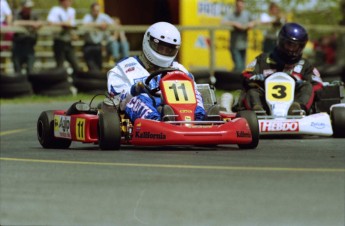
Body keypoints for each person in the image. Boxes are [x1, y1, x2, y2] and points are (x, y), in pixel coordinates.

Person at [107, 22, 206, 123]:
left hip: (179, 110)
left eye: (169, 49)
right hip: (144, 117)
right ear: (148, 40)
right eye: (160, 47)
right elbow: (117, 102)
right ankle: (156, 121)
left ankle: (200, 119)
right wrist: (134, 90)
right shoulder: (123, 68)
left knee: (195, 93)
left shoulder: (179, 69)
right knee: (140, 98)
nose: (164, 52)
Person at [237, 22, 323, 115]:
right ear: (281, 42)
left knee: (307, 87)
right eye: (289, 44)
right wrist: (259, 78)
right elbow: (246, 75)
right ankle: (258, 112)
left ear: (301, 47)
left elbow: (318, 85)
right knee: (252, 91)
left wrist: (299, 82)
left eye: (295, 46)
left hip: (293, 100)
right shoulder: (264, 59)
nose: (291, 49)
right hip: (266, 101)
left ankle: (297, 110)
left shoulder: (305, 64)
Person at [221, 0, 256, 72]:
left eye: (241, 6)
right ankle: (234, 80)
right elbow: (223, 22)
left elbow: (255, 21)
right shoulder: (232, 15)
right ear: (236, 6)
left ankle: (236, 80)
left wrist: (252, 23)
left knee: (242, 67)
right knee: (238, 66)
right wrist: (234, 23)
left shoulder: (247, 14)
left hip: (244, 44)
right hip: (234, 45)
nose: (240, 8)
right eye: (238, 6)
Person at [47, 0, 80, 73]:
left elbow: (72, 24)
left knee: (75, 64)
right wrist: (63, 24)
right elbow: (50, 22)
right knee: (60, 65)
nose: (70, 2)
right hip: (59, 40)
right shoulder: (55, 10)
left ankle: (77, 81)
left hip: (68, 41)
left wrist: (73, 33)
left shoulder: (71, 11)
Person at [12, 0, 43, 74]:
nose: (28, 9)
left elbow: (41, 22)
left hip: (30, 46)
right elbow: (14, 23)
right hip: (18, 46)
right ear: (22, 7)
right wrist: (31, 23)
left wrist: (37, 24)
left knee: (30, 70)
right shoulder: (17, 14)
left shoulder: (34, 15)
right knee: (17, 70)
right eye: (27, 7)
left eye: (30, 7)